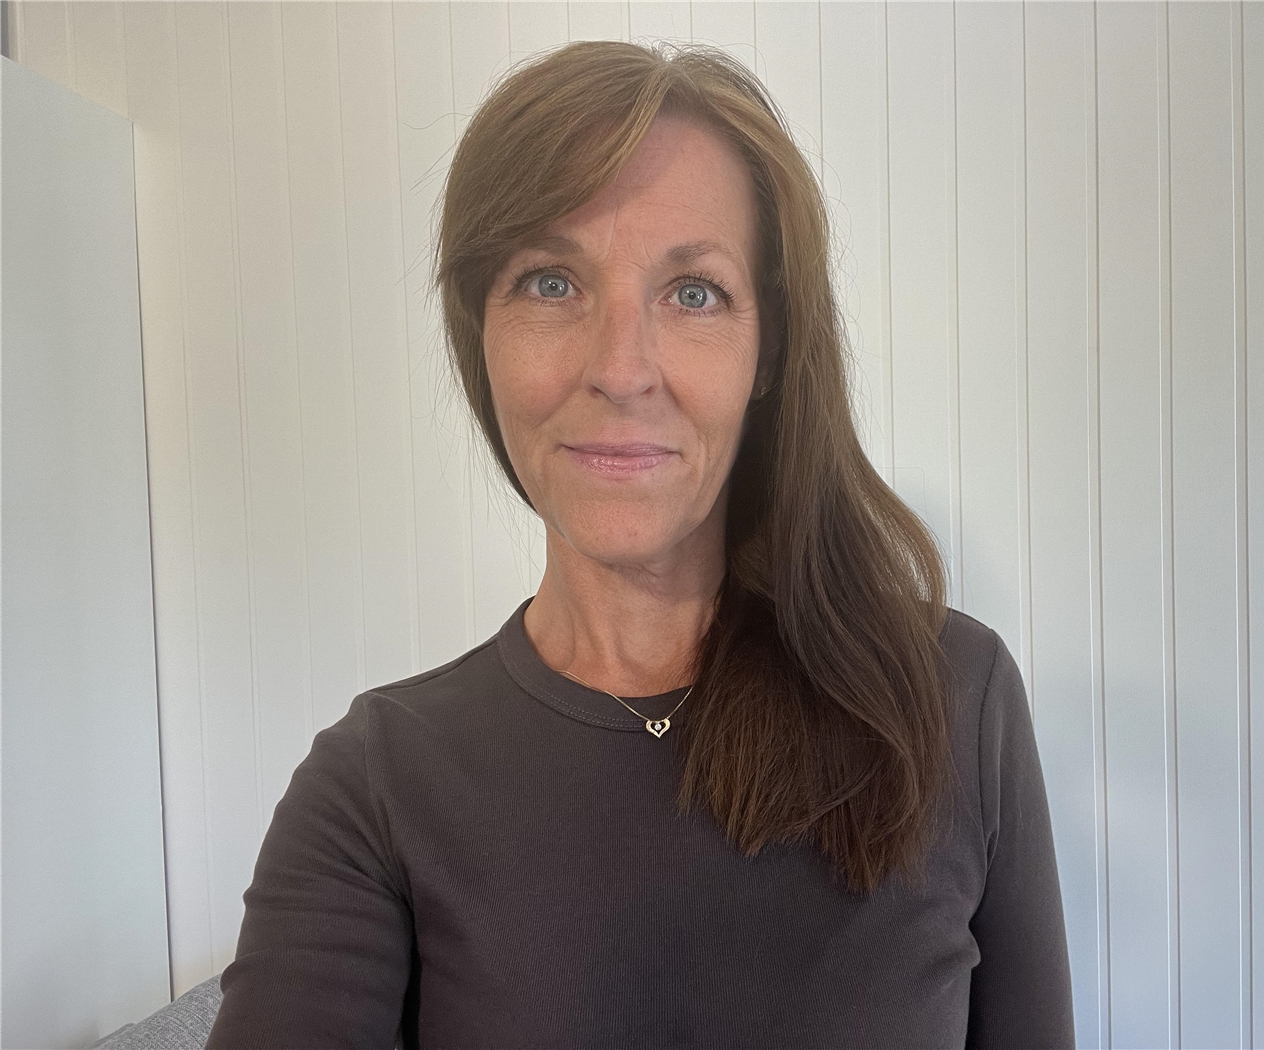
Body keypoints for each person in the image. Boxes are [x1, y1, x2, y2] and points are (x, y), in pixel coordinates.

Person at [206, 40, 1073, 1049]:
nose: (620, 369)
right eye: (549, 282)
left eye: (693, 292)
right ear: (479, 335)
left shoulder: (950, 698)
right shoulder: (377, 785)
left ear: (768, 350)